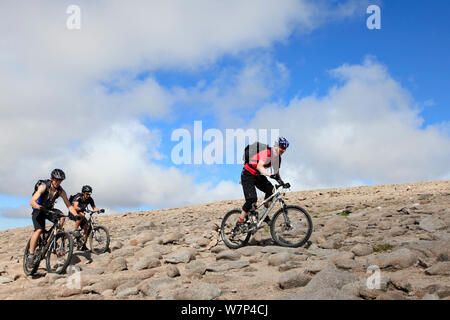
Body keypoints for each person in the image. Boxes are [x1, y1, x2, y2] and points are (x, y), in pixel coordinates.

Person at [27, 169, 79, 269]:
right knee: (38, 230)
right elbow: (32, 202)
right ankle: (31, 255)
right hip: (38, 210)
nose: (58, 182)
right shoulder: (43, 186)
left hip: (49, 210)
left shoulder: (61, 191)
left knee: (62, 217)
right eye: (56, 180)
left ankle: (54, 237)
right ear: (52, 179)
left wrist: (76, 215)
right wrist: (40, 207)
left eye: (60, 180)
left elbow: (68, 205)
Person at [238, 137, 289, 226]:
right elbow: (259, 166)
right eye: (281, 147)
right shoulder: (268, 153)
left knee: (271, 190)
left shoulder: (278, 158)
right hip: (248, 173)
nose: (283, 150)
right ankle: (240, 221)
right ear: (276, 145)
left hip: (257, 175)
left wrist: (282, 183)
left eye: (285, 148)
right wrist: (270, 175)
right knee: (251, 200)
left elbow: (276, 174)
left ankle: (263, 215)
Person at [68, 185, 101, 250]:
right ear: (83, 193)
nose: (88, 195)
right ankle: (76, 230)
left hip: (81, 213)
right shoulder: (78, 196)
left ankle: (83, 245)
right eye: (87, 194)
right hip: (73, 213)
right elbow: (75, 207)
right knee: (82, 215)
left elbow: (94, 207)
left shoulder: (90, 199)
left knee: (86, 228)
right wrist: (83, 209)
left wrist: (98, 210)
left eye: (90, 194)